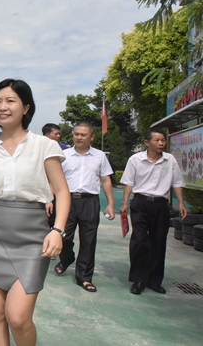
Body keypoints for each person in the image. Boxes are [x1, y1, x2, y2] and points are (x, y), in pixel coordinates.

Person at [0, 79, 70, 346]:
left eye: (10, 101)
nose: (2, 107)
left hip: (33, 236)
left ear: (26, 108)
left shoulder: (45, 145)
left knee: (17, 318)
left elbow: (62, 191)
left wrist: (58, 230)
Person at [120, 127, 188, 295]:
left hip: (160, 205)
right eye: (157, 140)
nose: (161, 143)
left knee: (158, 243)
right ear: (147, 142)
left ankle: (154, 281)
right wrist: (125, 203)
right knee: (140, 240)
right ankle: (138, 279)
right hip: (140, 203)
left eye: (163, 140)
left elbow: (177, 182)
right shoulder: (136, 159)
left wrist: (181, 203)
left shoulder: (170, 160)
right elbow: (128, 182)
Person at [54, 121, 114, 293]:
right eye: (76, 134)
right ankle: (67, 259)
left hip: (90, 202)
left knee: (88, 241)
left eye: (83, 134)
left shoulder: (100, 156)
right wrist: (49, 201)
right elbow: (55, 180)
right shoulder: (64, 155)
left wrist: (110, 203)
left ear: (92, 137)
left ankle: (84, 277)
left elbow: (105, 180)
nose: (79, 137)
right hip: (67, 201)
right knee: (63, 237)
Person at [41, 123, 69, 229]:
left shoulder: (65, 150)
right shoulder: (36, 149)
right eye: (55, 134)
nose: (58, 136)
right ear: (47, 135)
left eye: (59, 134)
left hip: (56, 192)